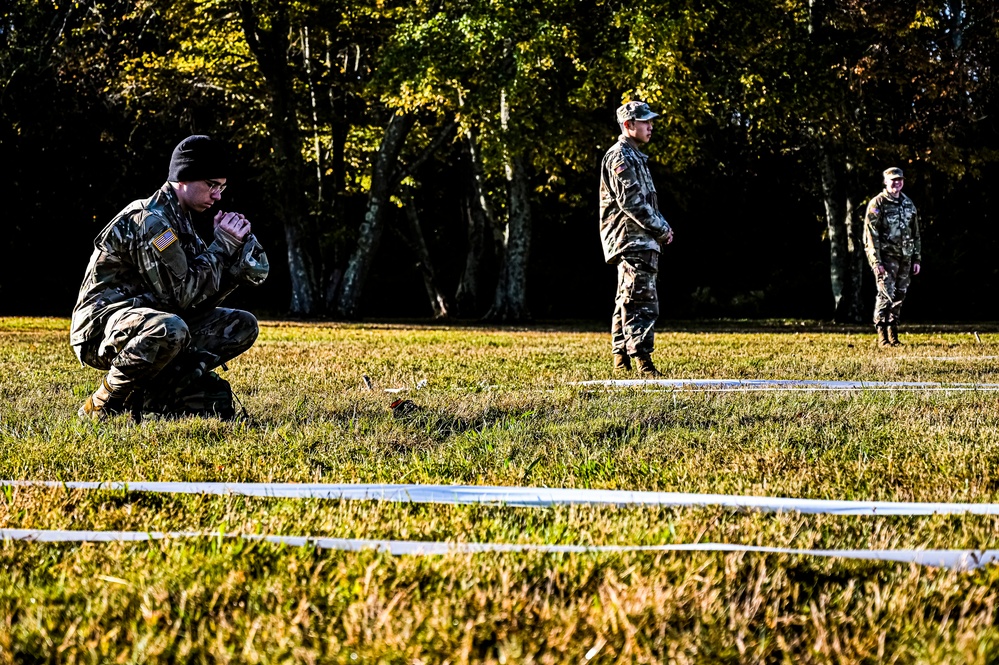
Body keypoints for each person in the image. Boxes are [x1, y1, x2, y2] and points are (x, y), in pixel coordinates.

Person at [70, 134, 269, 421]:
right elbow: (182, 296)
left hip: (152, 316)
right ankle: (104, 401)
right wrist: (222, 246)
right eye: (211, 185)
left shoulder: (181, 221)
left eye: (222, 188)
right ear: (183, 178)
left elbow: (199, 297)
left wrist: (236, 266)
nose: (217, 196)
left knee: (241, 325)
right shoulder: (151, 222)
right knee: (168, 328)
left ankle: (156, 394)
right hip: (101, 327)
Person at [599, 101, 674, 376]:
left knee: (626, 297)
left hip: (639, 239)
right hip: (632, 239)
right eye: (645, 122)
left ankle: (621, 359)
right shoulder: (621, 157)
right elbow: (633, 204)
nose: (650, 126)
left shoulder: (634, 156)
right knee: (641, 299)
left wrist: (659, 227)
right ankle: (642, 361)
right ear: (628, 125)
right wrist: (661, 229)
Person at [862, 166, 922, 348]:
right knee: (885, 295)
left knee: (900, 295)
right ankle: (882, 336)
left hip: (905, 258)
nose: (897, 183)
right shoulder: (877, 204)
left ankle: (893, 335)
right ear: (886, 182)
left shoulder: (908, 203)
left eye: (900, 179)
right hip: (886, 259)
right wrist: (876, 261)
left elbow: (916, 233)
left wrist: (917, 258)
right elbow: (870, 235)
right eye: (894, 180)